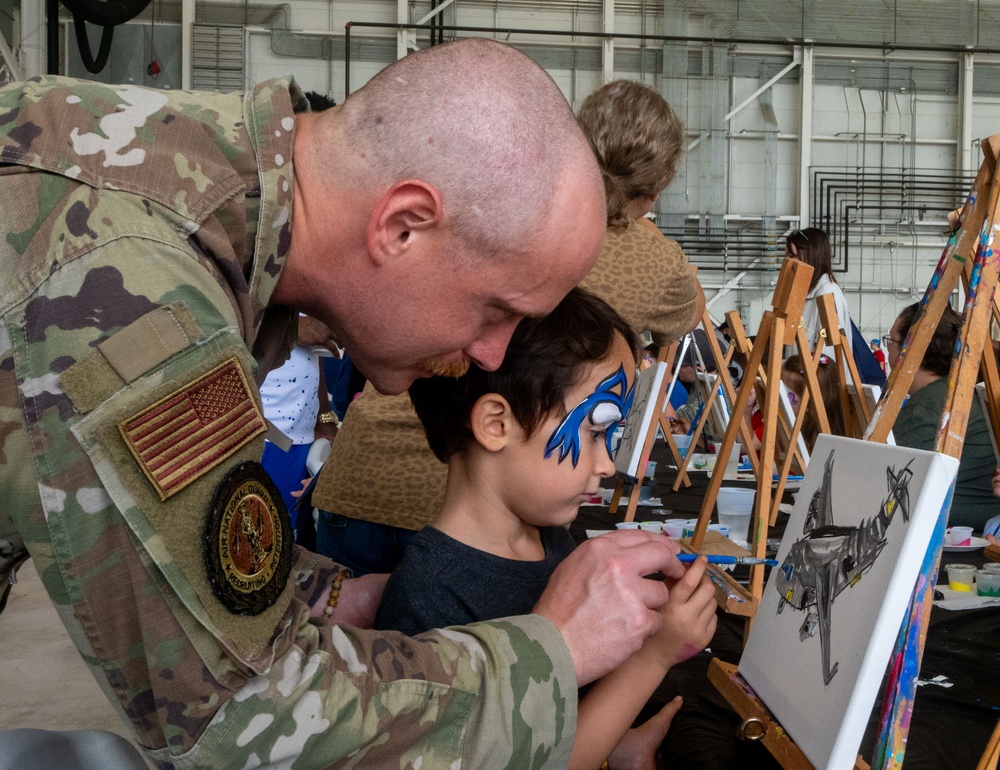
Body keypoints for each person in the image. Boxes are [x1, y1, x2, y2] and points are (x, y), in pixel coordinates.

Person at [0, 39, 685, 768]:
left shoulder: (197, 189)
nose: (492, 357)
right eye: (494, 311)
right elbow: (244, 724)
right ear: (402, 226)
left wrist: (328, 598)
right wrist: (556, 651)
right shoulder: (129, 291)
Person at [311, 76, 705, 576]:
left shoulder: (498, 207)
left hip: (363, 478)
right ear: (656, 189)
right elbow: (691, 316)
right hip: (475, 520)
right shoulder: (656, 262)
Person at [377, 288, 717, 770]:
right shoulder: (429, 599)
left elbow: (558, 713)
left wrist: (614, 743)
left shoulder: (546, 534)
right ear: (496, 424)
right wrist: (655, 655)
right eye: (596, 432)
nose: (605, 464)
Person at [887, 303, 1000, 530]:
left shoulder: (931, 405)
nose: (888, 349)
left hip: (960, 540)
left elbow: (882, 478)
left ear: (910, 349)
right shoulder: (954, 392)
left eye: (891, 341)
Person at [785, 227, 854, 359]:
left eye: (792, 256)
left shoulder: (827, 294)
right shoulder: (801, 295)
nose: (788, 262)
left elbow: (827, 362)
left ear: (811, 255)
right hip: (798, 378)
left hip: (815, 379)